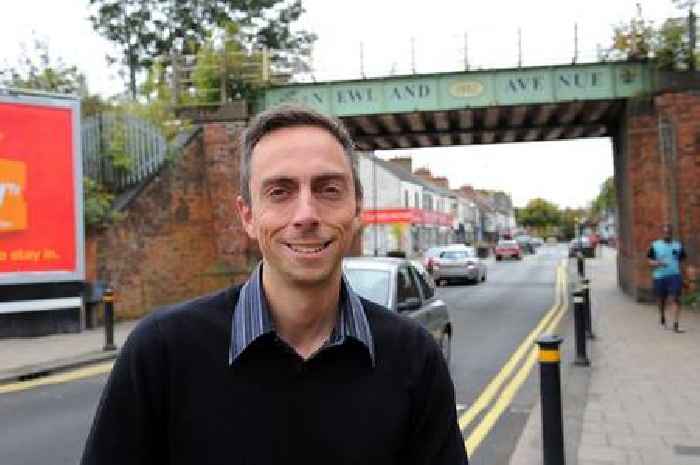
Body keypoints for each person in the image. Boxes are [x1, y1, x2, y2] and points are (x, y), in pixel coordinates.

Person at [81, 105, 467, 465]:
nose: (306, 214)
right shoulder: (161, 351)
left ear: (357, 211)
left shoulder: (414, 358)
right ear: (247, 216)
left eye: (328, 189)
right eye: (279, 192)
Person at [647, 223, 686, 333]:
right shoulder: (655, 245)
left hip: (675, 276)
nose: (667, 234)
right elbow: (649, 261)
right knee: (660, 300)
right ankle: (662, 315)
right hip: (659, 276)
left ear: (671, 233)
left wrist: (685, 276)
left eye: (668, 233)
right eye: (665, 232)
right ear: (662, 233)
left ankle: (676, 324)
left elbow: (682, 261)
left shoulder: (678, 245)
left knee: (675, 299)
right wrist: (658, 263)